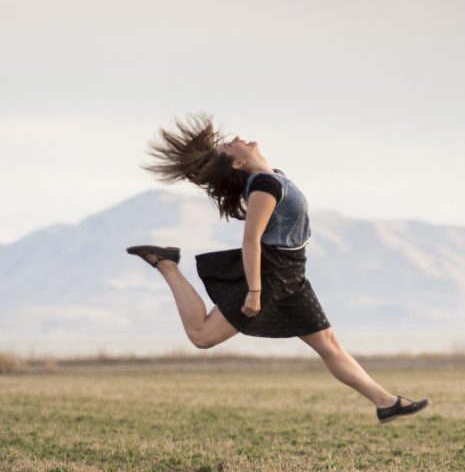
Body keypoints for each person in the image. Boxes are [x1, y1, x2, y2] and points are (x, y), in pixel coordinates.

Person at [126, 113, 427, 424]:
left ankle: (386, 403)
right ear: (238, 164)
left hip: (291, 273)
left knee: (328, 344)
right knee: (202, 336)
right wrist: (254, 291)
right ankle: (167, 265)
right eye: (231, 146)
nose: (237, 139)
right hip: (271, 275)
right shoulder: (265, 186)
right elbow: (251, 240)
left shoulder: (272, 177)